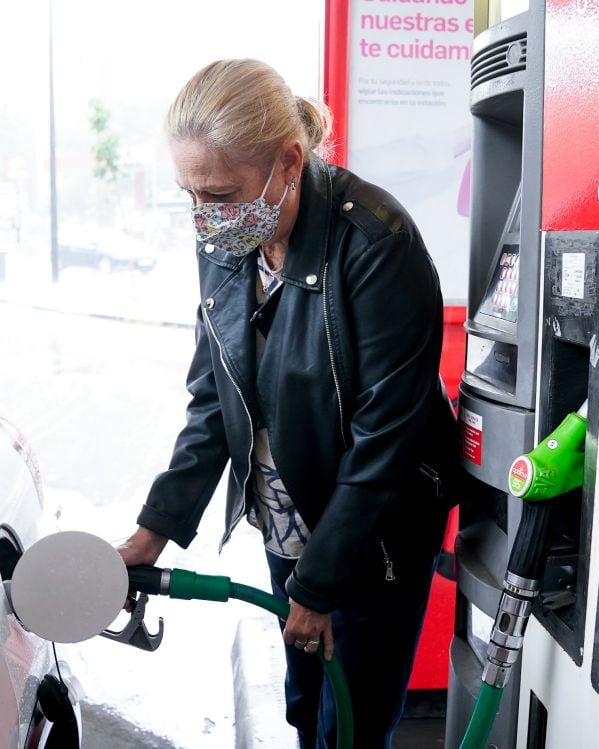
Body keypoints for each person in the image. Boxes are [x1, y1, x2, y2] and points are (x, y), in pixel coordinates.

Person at [117, 59, 456, 748]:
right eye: (190, 195)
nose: (204, 216)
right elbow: (215, 396)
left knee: (350, 719)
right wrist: (153, 530)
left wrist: (323, 579)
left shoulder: (374, 242)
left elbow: (386, 436)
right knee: (305, 706)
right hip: (287, 514)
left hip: (375, 527)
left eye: (219, 194)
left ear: (289, 162)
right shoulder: (228, 236)